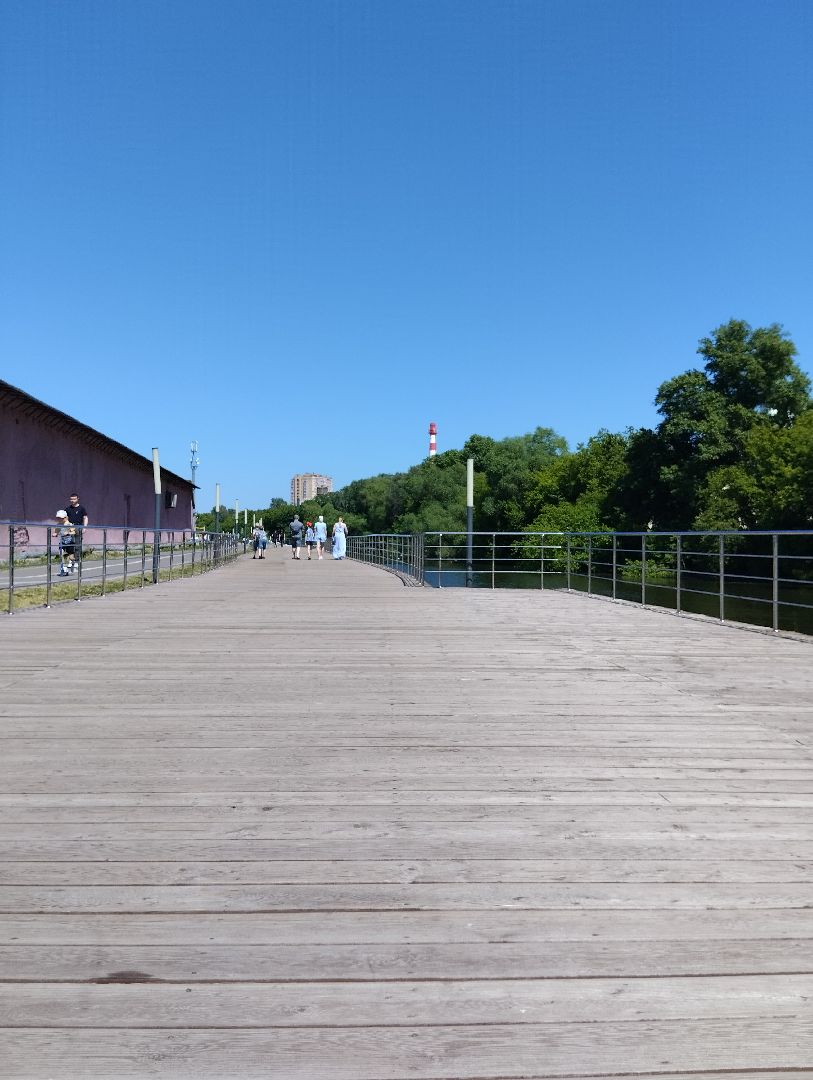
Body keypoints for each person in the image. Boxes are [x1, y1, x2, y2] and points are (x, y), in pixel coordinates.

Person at [63, 493, 88, 571]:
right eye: (71, 499)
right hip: (70, 528)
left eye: (74, 499)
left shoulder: (81, 508)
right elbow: (64, 519)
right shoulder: (67, 509)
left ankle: (77, 561)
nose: (72, 500)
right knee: (70, 545)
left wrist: (84, 527)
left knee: (77, 545)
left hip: (78, 527)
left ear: (77, 499)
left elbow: (85, 518)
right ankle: (71, 561)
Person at [53, 510, 76, 575]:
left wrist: (68, 533)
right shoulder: (58, 525)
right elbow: (56, 532)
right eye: (58, 518)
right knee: (61, 554)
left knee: (71, 557)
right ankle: (63, 567)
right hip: (62, 542)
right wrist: (55, 534)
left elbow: (74, 532)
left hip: (70, 543)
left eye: (61, 518)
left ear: (66, 518)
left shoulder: (69, 524)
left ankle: (73, 562)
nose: (59, 519)